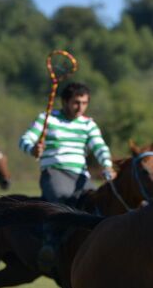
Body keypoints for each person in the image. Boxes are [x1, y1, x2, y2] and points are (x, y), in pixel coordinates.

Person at [19, 82, 115, 268]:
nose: (80, 107)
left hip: (80, 175)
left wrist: (107, 165)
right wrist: (33, 149)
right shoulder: (47, 118)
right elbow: (25, 140)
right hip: (54, 172)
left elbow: (99, 147)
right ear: (64, 101)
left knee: (99, 203)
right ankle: (50, 244)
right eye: (76, 102)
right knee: (63, 201)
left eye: (84, 103)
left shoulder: (88, 124)